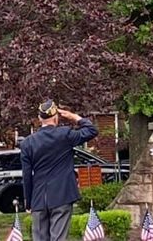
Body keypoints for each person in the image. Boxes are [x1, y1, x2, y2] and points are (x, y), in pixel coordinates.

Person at [20, 99, 98, 241]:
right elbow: (91, 131)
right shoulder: (65, 135)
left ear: (39, 119)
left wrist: (29, 202)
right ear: (56, 117)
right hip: (62, 196)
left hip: (38, 199)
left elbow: (26, 175)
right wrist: (74, 117)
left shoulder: (27, 143)